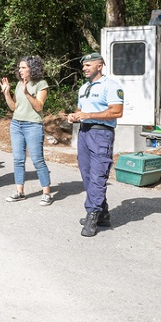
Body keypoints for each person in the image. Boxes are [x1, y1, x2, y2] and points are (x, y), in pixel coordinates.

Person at [68, 52, 124, 237]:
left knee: (98, 175)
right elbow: (81, 109)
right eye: (83, 65)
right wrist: (74, 115)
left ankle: (92, 214)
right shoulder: (84, 87)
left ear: (99, 66)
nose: (84, 68)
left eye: (88, 65)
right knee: (86, 174)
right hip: (84, 132)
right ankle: (103, 213)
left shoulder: (111, 86)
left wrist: (89, 115)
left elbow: (117, 112)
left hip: (101, 134)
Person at [0, 55, 54, 205]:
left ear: (32, 68)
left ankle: (46, 193)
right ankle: (20, 192)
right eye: (19, 67)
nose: (20, 70)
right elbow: (14, 107)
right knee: (18, 160)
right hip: (16, 124)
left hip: (33, 125)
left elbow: (39, 106)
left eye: (23, 67)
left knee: (37, 160)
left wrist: (27, 93)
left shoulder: (41, 84)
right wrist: (6, 93)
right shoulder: (19, 83)